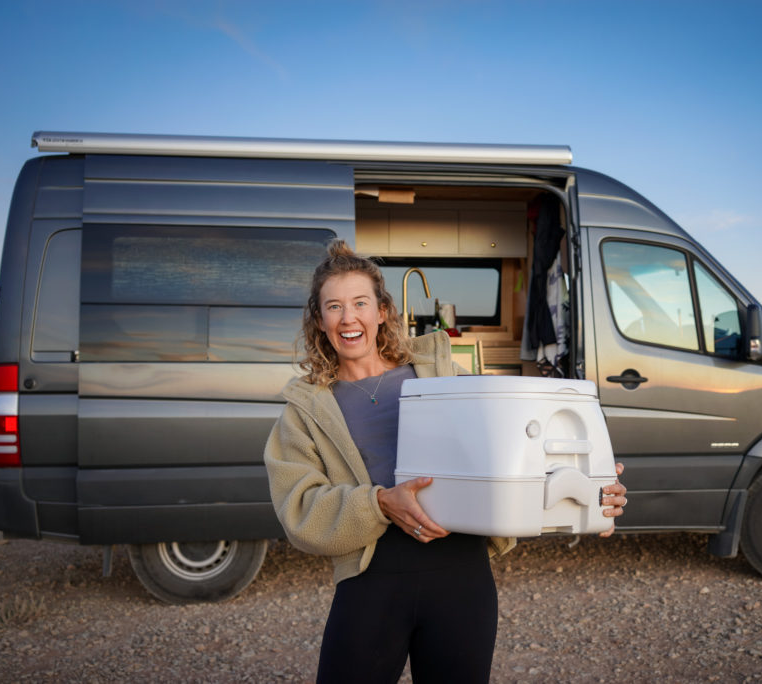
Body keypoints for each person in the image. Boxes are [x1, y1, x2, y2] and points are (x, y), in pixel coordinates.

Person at [264, 239, 627, 683]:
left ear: (382, 311)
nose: (348, 317)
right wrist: (379, 503)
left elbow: (517, 452)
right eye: (334, 307)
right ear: (319, 321)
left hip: (462, 575)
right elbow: (299, 511)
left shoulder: (444, 377)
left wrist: (589, 494)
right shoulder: (305, 409)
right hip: (372, 580)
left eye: (360, 303)